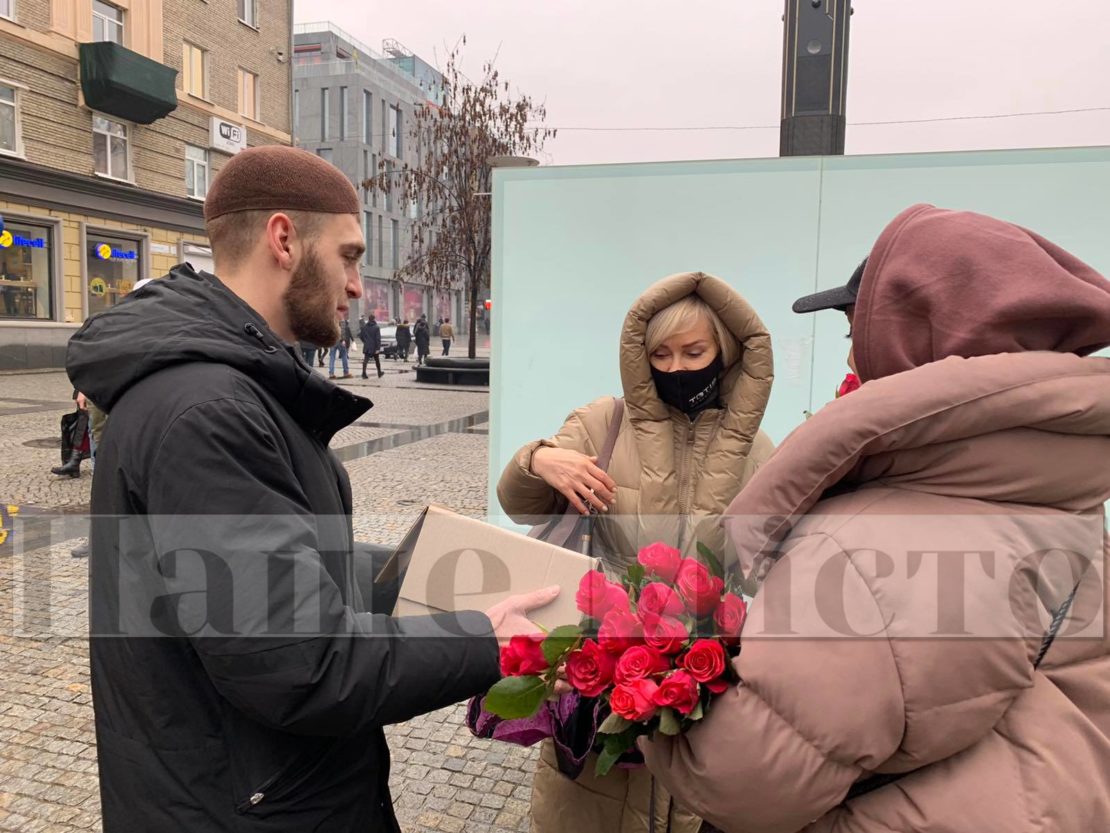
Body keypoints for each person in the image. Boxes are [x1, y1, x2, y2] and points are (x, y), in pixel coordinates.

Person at [65, 145, 558, 833]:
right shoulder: (210, 412)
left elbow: (265, 573)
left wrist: (418, 567)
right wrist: (486, 642)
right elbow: (301, 664)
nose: (358, 285)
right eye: (350, 255)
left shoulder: (221, 390)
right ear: (285, 238)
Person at [642, 205, 1110, 833]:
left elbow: (745, 779)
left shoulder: (866, 549)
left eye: (857, 336)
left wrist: (646, 686)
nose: (854, 360)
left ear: (916, 341)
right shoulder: (1058, 497)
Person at [498, 272, 776, 833]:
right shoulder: (605, 421)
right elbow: (519, 504)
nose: (676, 368)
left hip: (705, 692)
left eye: (694, 351)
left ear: (724, 351)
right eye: (660, 353)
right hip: (602, 673)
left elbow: (773, 568)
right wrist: (538, 459)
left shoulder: (757, 450)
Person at [327, 314, 353, 379]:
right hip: (340, 341)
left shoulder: (332, 321)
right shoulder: (342, 320)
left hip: (333, 341)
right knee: (344, 356)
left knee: (332, 357)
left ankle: (331, 373)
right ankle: (346, 372)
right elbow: (343, 331)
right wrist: (343, 340)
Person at [360, 313, 384, 379]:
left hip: (367, 346)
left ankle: (363, 373)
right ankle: (379, 372)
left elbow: (361, 336)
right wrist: (378, 348)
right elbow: (378, 339)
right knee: (377, 360)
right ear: (374, 319)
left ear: (368, 319)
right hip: (374, 347)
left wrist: (365, 342)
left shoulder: (364, 327)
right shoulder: (376, 327)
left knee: (366, 360)